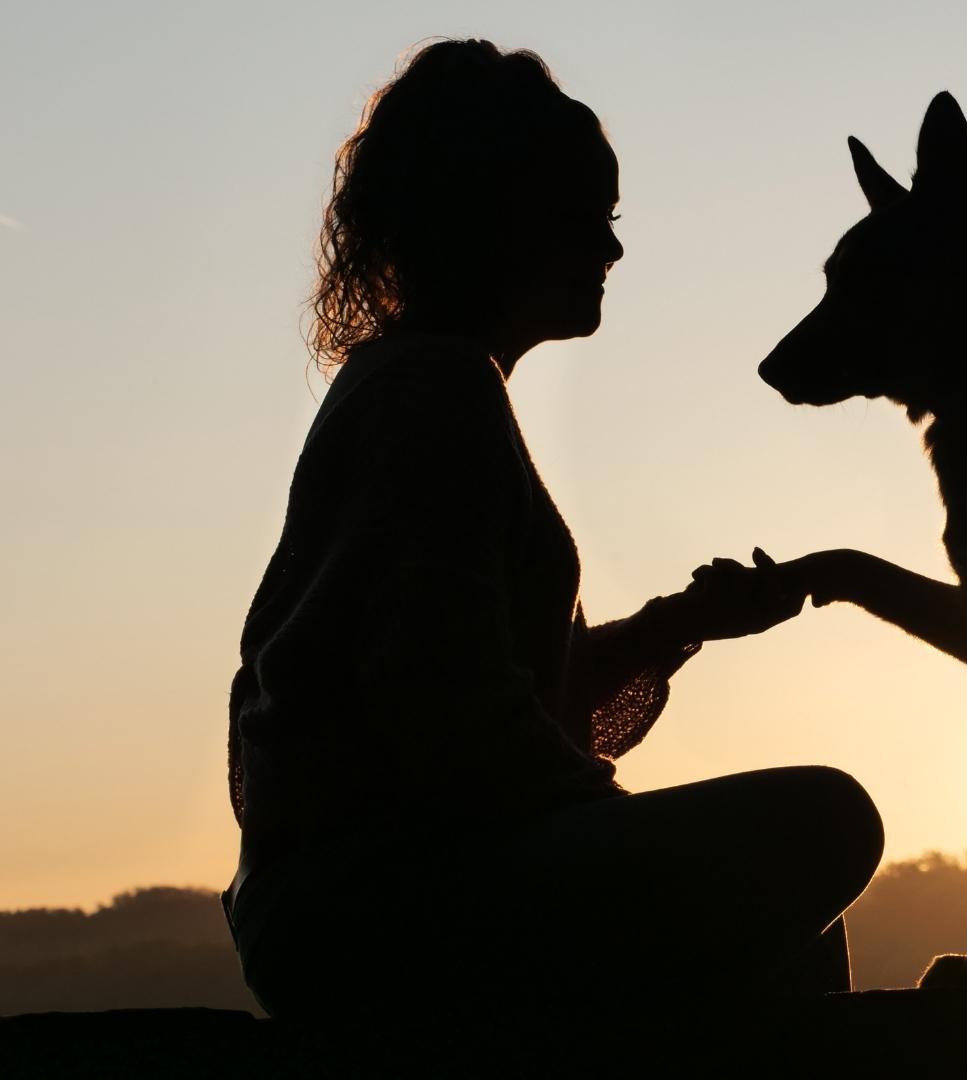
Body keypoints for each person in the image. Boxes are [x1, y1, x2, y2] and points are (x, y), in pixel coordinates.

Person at [220, 39, 883, 1021]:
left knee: (797, 933)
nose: (611, 250)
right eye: (583, 220)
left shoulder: (427, 382)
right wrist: (621, 827)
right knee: (831, 821)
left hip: (359, 901)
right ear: (492, 217)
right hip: (371, 907)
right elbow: (452, 715)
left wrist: (668, 631)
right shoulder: (434, 392)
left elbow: (503, 695)